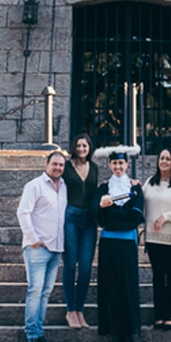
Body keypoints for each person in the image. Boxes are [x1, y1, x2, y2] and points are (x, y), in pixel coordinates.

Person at [93, 149, 146, 342]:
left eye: (121, 164)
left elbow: (135, 216)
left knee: (128, 287)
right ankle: (115, 334)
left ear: (126, 165)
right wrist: (114, 213)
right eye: (114, 163)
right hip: (108, 244)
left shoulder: (136, 188)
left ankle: (129, 335)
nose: (118, 167)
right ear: (109, 165)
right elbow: (99, 215)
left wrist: (113, 213)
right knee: (111, 287)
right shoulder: (103, 188)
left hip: (127, 244)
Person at [16, 150, 67, 342]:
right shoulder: (34, 185)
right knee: (35, 291)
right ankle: (31, 338)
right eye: (54, 164)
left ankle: (39, 334)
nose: (58, 168)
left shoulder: (64, 187)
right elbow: (23, 212)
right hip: (37, 248)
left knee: (45, 293)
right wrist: (33, 240)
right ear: (47, 164)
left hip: (56, 248)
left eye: (61, 165)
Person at [142, 148, 171, 330]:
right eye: (161, 158)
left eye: (168, 159)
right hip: (153, 239)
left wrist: (165, 217)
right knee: (158, 277)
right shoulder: (150, 182)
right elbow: (140, 196)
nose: (164, 161)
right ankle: (159, 315)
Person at [60, 134, 101, 329]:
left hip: (89, 221)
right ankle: (70, 310)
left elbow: (96, 193)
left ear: (89, 147)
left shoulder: (94, 168)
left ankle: (79, 310)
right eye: (78, 146)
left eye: (85, 146)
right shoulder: (66, 168)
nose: (82, 149)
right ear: (74, 147)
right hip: (71, 217)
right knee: (70, 263)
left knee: (85, 266)